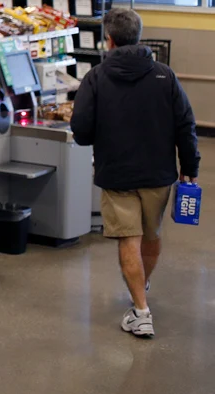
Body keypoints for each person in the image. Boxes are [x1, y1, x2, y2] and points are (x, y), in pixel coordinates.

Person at [71, 9, 200, 338]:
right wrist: (190, 168)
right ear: (139, 36)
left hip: (117, 174)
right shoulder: (165, 76)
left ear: (109, 39)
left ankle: (141, 312)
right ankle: (141, 287)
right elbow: (185, 125)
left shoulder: (96, 77)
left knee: (129, 239)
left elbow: (81, 130)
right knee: (151, 236)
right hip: (158, 173)